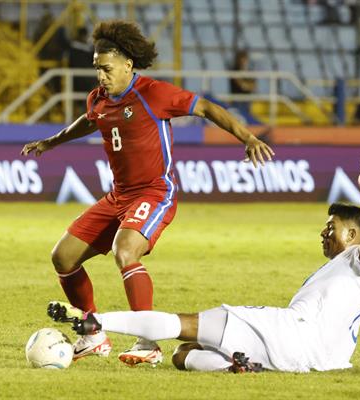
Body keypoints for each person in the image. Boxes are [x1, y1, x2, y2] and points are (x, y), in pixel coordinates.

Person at [21, 20, 274, 367]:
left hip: (155, 193)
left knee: (124, 251)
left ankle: (149, 342)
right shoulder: (98, 98)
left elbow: (207, 108)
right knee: (62, 257)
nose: (101, 76)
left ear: (128, 65)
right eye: (97, 68)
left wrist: (249, 138)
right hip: (118, 196)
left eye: (106, 68)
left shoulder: (154, 93)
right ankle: (94, 335)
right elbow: (89, 119)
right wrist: (52, 141)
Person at [48, 157, 360, 373]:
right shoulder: (343, 273)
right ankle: (239, 367)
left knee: (181, 324)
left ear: (354, 233)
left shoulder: (357, 260)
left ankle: (95, 321)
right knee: (183, 355)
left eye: (331, 228)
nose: (323, 233)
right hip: (312, 360)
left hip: (286, 331)